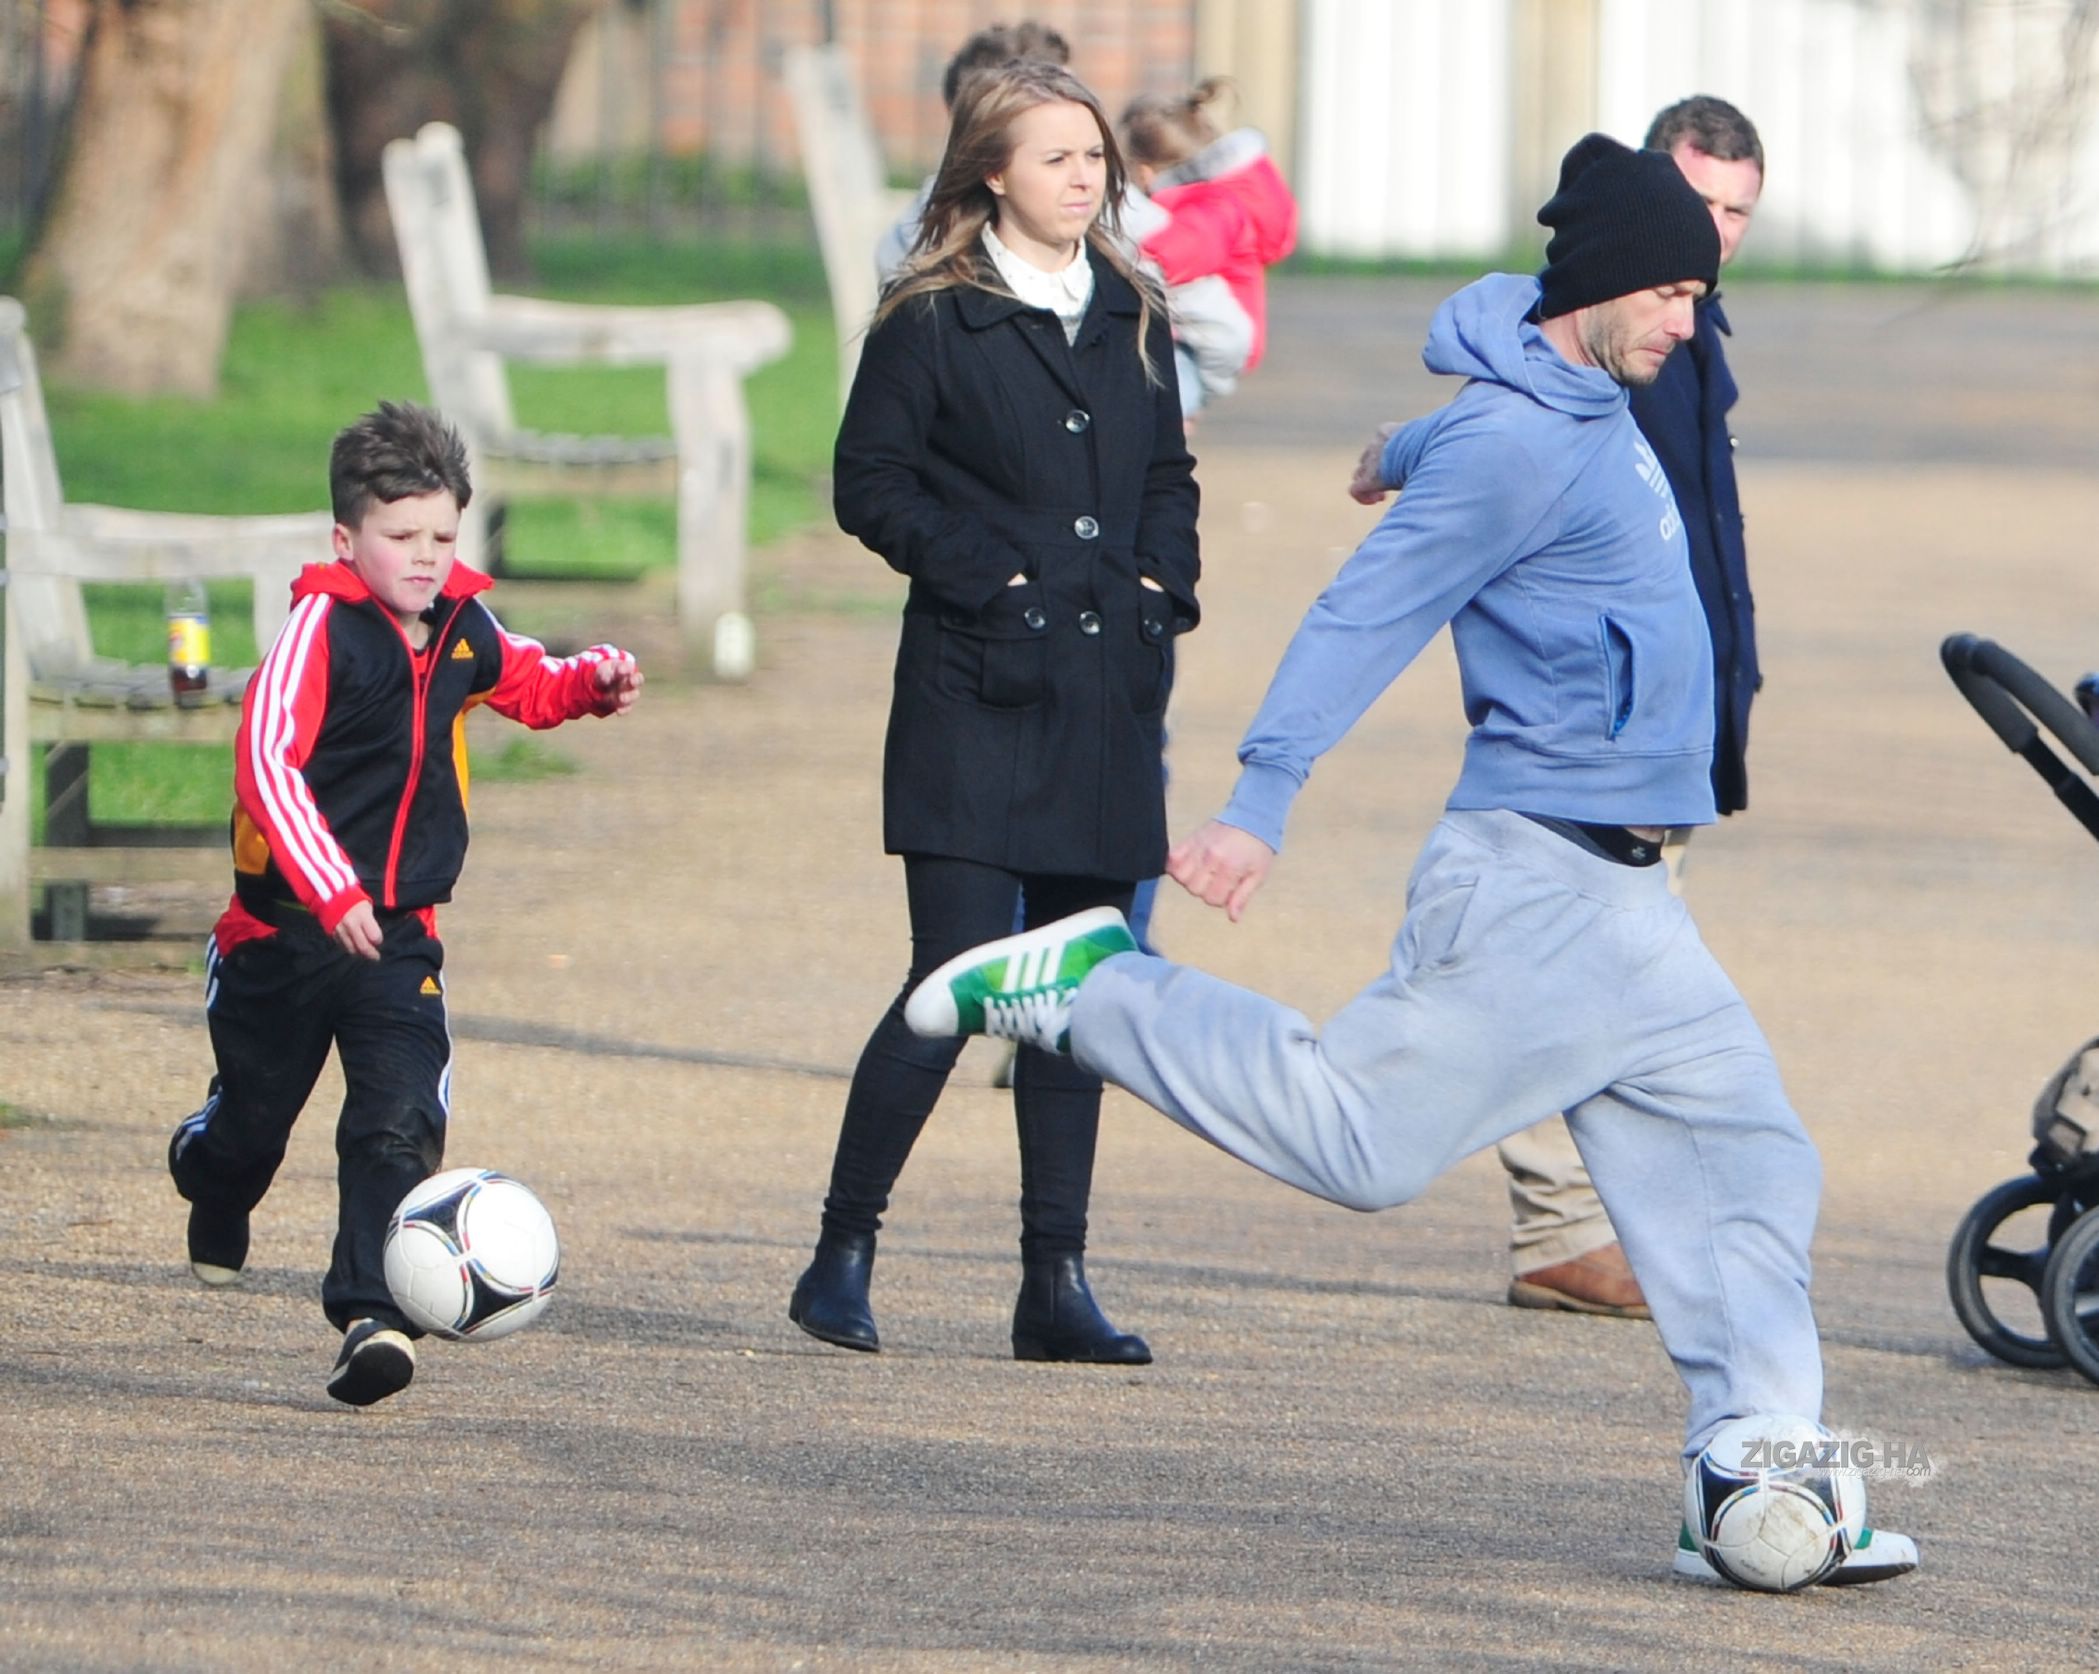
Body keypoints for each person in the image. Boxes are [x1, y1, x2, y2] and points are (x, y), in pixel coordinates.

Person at [900, 133, 1917, 1585]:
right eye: (1676, 293)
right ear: (1608, 284)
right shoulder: (1521, 440)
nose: (1694, 321)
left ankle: (1761, 1480)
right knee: (1358, 1141)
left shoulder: (1568, 389)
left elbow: (1481, 422)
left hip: (1631, 908)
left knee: (1750, 1165)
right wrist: (1259, 798)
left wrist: (1399, 444)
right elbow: (1360, 611)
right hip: (1535, 889)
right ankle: (1093, 984)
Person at [786, 58, 1199, 1365]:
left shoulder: (1131, 306)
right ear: (989, 175)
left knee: (1079, 992)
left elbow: (1170, 477)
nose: (1085, 176)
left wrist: (1159, 588)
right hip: (975, 692)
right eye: (1056, 158)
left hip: (1103, 696)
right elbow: (869, 482)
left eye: (1094, 157)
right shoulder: (930, 318)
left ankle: (1053, 1283)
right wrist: (993, 578)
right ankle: (840, 1253)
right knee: (949, 984)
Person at [165, 400, 644, 1407]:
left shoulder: (464, 627)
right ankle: (213, 1172)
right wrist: (328, 888)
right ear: (347, 540)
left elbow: (529, 680)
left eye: (441, 534)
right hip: (284, 932)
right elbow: (266, 766)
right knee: (256, 1122)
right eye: (400, 537)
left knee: (394, 1122)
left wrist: (592, 682)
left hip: (400, 936)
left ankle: (372, 1318)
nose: (424, 557)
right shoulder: (319, 633)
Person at [1489, 97, 1767, 1321]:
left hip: (1681, 702)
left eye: (1736, 215)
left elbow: (1705, 534)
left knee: (1625, 963)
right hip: (1600, 710)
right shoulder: (1586, 327)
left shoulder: (1692, 332)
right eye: (1697, 205)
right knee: (1584, 960)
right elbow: (1504, 421)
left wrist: (1726, 684)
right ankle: (1558, 1225)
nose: (1713, 236)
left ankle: (1600, 1226)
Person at [1118, 77, 1299, 419]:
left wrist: (1137, 258)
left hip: (1200, 347)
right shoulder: (1212, 200)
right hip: (1198, 339)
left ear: (1143, 174)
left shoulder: (1215, 207)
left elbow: (1186, 249)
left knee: (1151, 415)